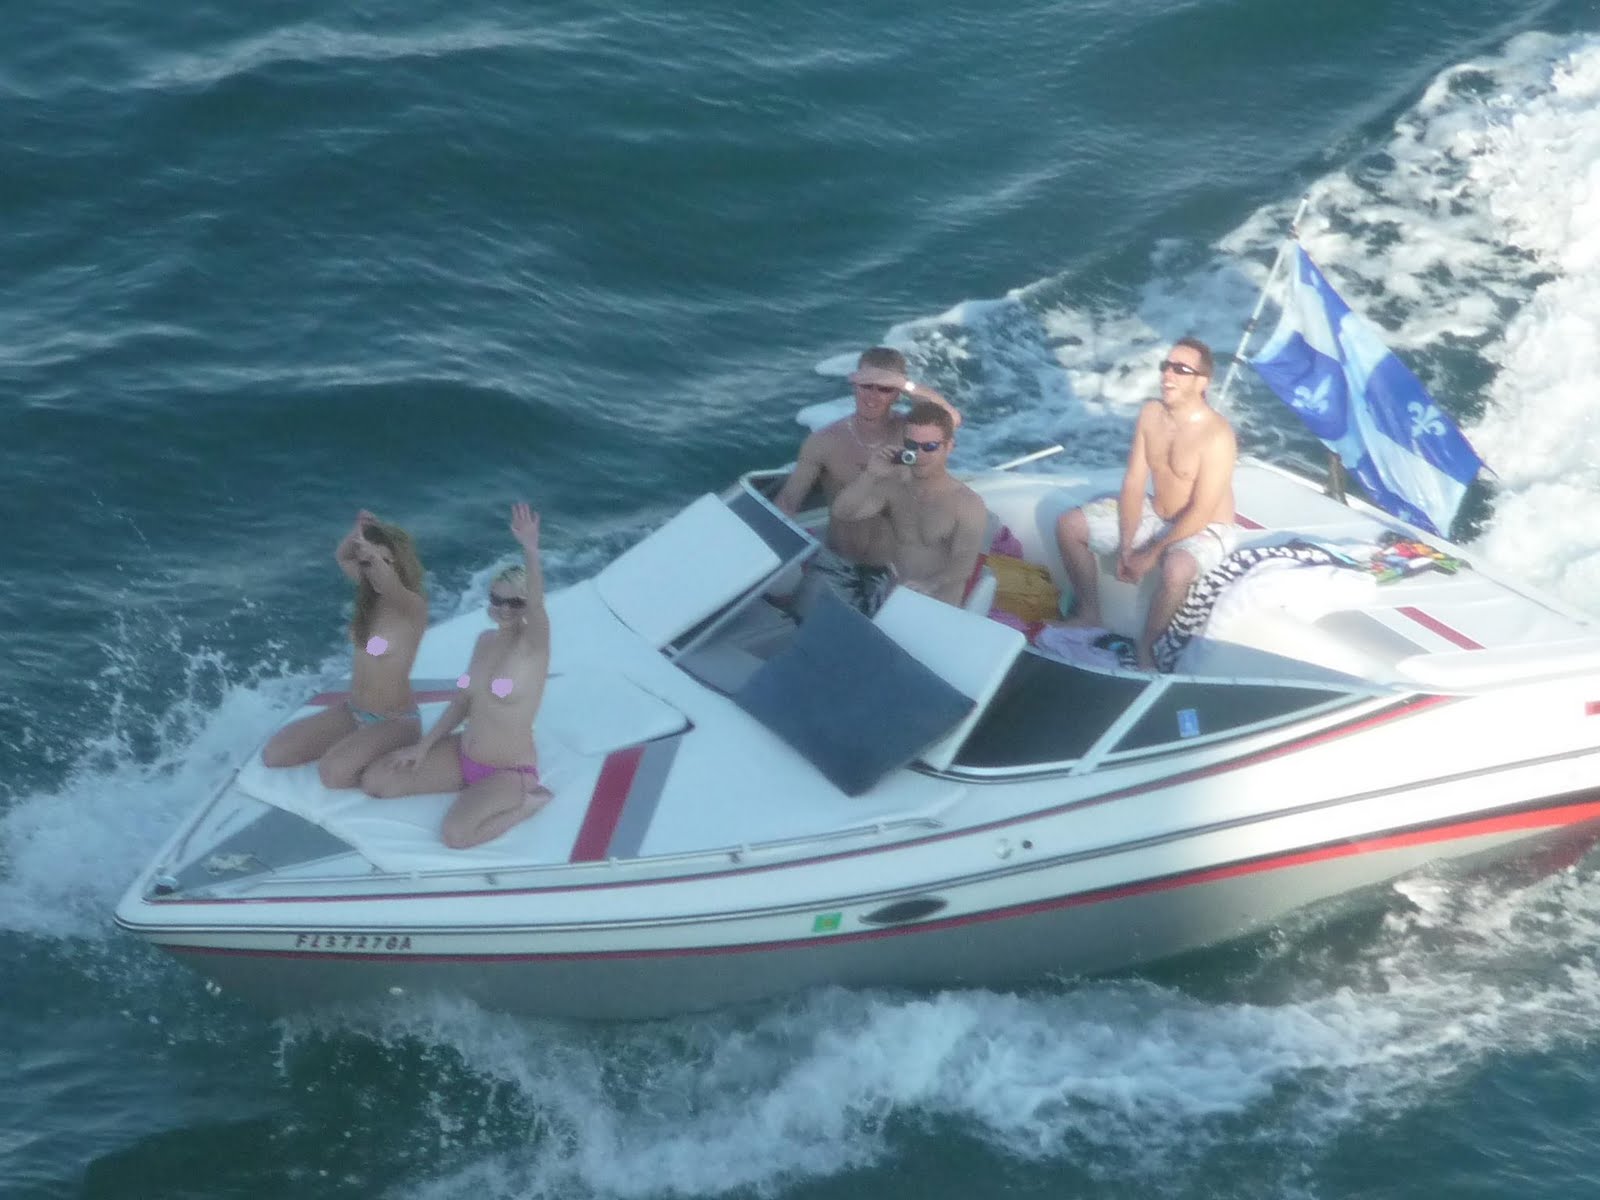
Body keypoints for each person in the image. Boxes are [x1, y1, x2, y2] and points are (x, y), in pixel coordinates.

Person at [361, 502, 553, 849]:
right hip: (462, 757)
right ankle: (472, 789)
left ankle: (527, 805)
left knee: (456, 835)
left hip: (508, 771)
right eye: (497, 599)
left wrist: (530, 549)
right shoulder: (485, 641)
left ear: (526, 605)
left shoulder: (533, 646)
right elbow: (463, 702)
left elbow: (538, 605)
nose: (504, 608)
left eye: (515, 602)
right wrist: (423, 747)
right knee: (376, 781)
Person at [1053, 336, 1238, 669]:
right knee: (1070, 526)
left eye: (1180, 369)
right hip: (1158, 512)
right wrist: (1127, 545)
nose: (1168, 375)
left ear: (1202, 382)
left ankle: (1148, 646)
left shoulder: (1218, 435)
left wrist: (1150, 554)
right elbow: (1134, 482)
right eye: (1166, 366)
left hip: (1207, 525)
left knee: (1177, 569)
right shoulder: (1151, 414)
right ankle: (1089, 613)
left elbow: (1201, 511)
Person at [261, 511, 427, 786]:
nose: (376, 569)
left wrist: (372, 555)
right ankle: (360, 746)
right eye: (369, 563)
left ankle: (379, 757)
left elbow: (390, 583)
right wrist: (358, 532)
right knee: (275, 754)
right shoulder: (370, 593)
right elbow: (343, 557)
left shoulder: (411, 606)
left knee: (332, 774)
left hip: (395, 721)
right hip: (353, 710)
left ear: (401, 563)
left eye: (386, 561)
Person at [773, 345, 962, 565]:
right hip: (839, 562)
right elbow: (787, 503)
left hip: (899, 565)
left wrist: (905, 384)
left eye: (885, 388)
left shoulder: (912, 435)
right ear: (855, 384)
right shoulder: (824, 442)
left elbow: (951, 419)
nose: (873, 396)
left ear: (898, 393)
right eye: (866, 385)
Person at [828, 400, 988, 609]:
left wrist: (929, 585)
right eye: (912, 446)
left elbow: (964, 564)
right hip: (897, 597)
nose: (919, 455)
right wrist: (871, 474)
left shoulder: (967, 503)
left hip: (940, 606)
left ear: (949, 447)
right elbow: (842, 513)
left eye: (930, 447)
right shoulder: (894, 487)